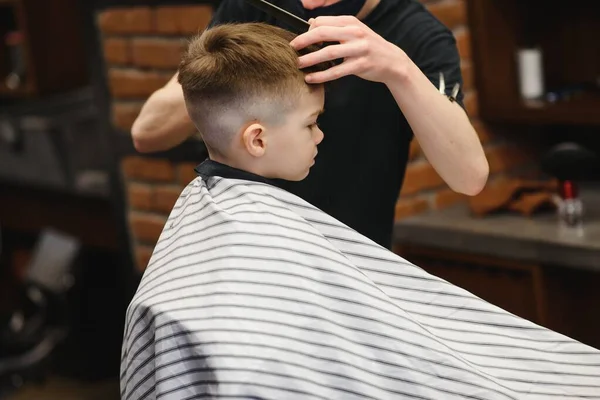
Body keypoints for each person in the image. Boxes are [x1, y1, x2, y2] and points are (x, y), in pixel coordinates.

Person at [120, 24, 600, 400]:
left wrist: (400, 68)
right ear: (258, 139)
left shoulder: (206, 219)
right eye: (313, 123)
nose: (321, 136)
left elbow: (472, 175)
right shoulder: (258, 243)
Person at [130, 0, 489, 249]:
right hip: (251, 252)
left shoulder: (419, 35)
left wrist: (399, 70)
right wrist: (226, 63)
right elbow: (146, 134)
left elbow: (470, 176)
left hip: (351, 261)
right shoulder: (254, 8)